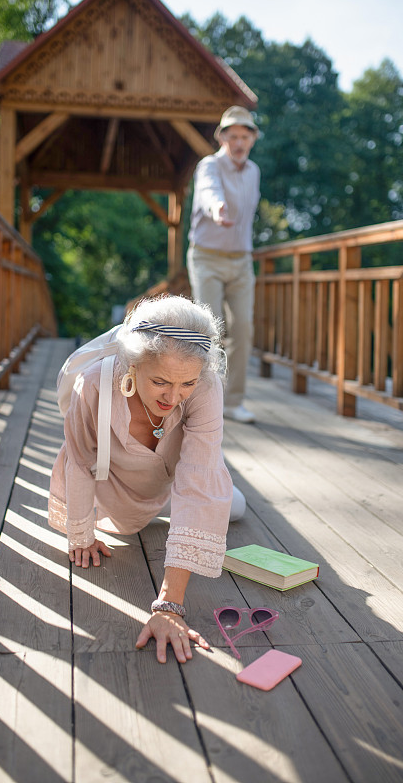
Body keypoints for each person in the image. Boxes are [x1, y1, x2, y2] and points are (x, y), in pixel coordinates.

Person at [48, 295, 246, 664]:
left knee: (236, 506)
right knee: (123, 529)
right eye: (160, 381)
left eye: (186, 383)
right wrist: (82, 532)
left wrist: (169, 605)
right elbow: (78, 459)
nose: (174, 396)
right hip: (110, 486)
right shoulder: (92, 383)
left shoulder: (206, 387)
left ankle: (223, 497)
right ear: (132, 363)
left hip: (167, 483)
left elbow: (198, 480)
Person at [187, 105, 261, 423]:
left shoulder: (254, 171)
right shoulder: (209, 165)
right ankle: (201, 402)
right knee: (209, 328)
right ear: (222, 138)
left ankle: (233, 401)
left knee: (243, 328)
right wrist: (217, 208)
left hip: (242, 261)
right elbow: (208, 190)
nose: (239, 142)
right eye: (233, 136)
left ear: (253, 139)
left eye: (245, 136)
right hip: (207, 257)